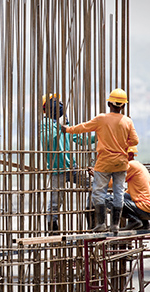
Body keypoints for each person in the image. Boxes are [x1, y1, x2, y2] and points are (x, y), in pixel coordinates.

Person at [62, 88, 138, 233]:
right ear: (123, 106)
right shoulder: (127, 121)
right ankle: (115, 225)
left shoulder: (102, 119)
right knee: (119, 192)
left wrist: (67, 129)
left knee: (98, 192)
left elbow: (83, 127)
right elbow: (135, 140)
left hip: (104, 163)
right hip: (121, 163)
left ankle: (101, 223)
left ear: (109, 103)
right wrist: (122, 146)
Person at [40, 94, 94, 234]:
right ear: (47, 108)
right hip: (58, 170)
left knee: (94, 186)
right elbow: (49, 140)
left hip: (72, 168)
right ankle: (53, 232)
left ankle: (92, 217)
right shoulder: (44, 125)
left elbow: (79, 139)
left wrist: (97, 136)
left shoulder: (63, 124)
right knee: (55, 204)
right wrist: (61, 128)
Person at [103, 146, 150, 230]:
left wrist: (99, 176)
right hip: (149, 209)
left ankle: (135, 220)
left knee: (106, 199)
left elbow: (113, 183)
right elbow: (128, 193)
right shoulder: (138, 166)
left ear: (130, 155)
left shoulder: (131, 165)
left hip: (144, 209)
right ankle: (143, 223)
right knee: (122, 196)